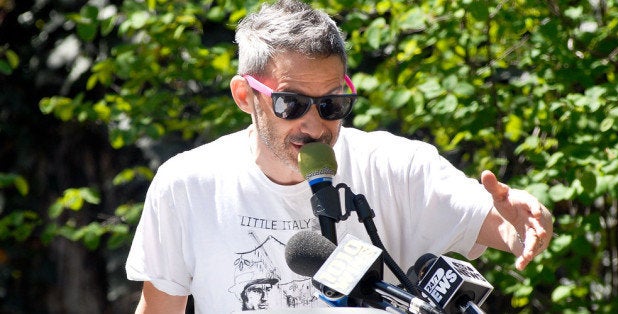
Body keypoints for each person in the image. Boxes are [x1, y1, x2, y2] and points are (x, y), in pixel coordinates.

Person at [125, 0, 554, 312]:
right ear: (245, 95)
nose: (314, 124)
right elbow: (160, 308)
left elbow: (501, 226)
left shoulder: (397, 166)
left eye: (331, 103)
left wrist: (523, 225)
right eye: (291, 103)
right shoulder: (187, 184)